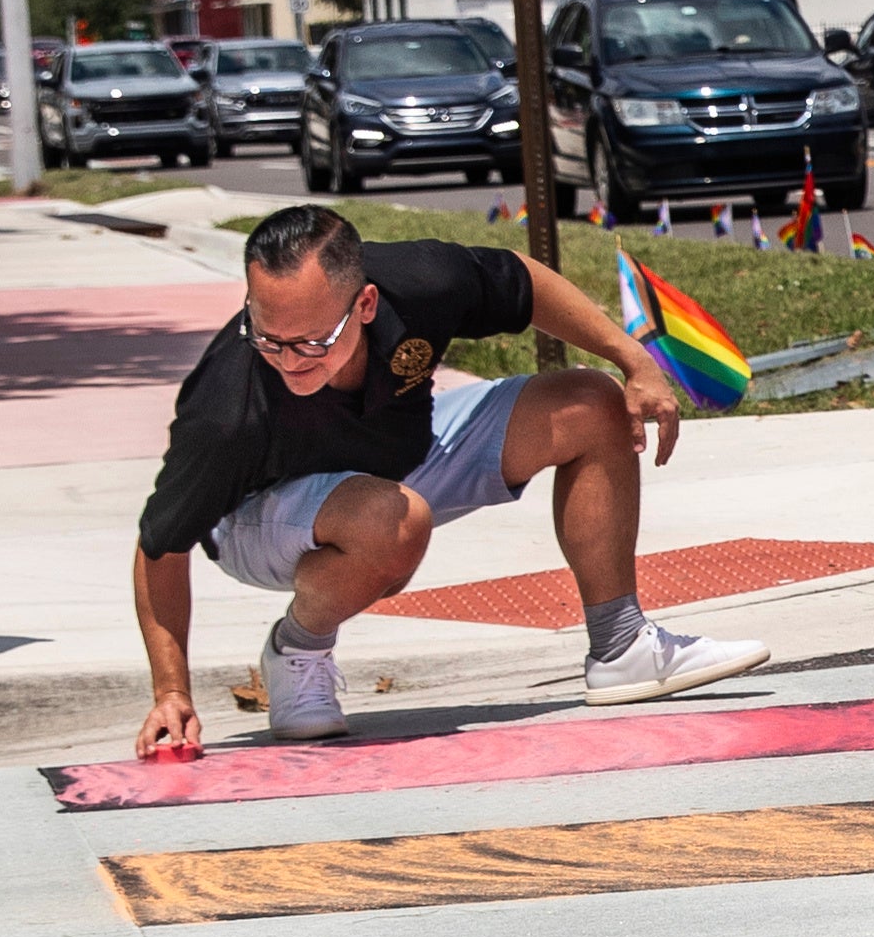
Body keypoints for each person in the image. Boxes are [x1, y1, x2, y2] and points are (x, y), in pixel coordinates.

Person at [132, 205, 768, 751]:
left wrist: (634, 360)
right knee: (393, 519)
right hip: (259, 516)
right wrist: (171, 693)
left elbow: (525, 281)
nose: (289, 360)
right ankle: (298, 651)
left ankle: (621, 645)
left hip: (401, 456)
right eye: (268, 337)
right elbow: (159, 545)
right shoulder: (225, 411)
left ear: (367, 303)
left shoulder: (421, 280)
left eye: (313, 342)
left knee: (591, 403)